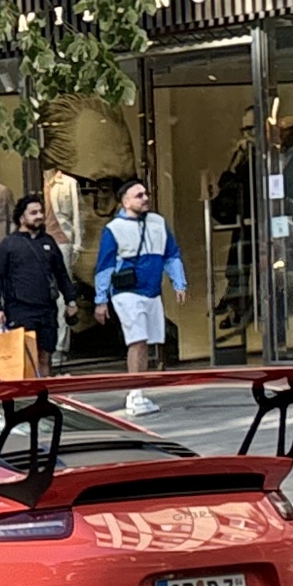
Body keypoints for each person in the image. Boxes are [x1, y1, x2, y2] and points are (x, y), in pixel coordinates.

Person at [93, 178, 187, 415]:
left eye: (145, 194)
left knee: (144, 342)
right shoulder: (114, 229)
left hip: (151, 291)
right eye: (139, 195)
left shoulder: (158, 223)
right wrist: (100, 299)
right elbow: (104, 266)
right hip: (127, 292)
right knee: (137, 341)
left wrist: (179, 282)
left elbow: (171, 254)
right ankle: (135, 394)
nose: (145, 198)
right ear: (125, 201)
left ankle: (138, 392)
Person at [0, 195, 75, 373]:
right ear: (21, 218)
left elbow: (61, 274)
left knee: (46, 355)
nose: (39, 216)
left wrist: (71, 301)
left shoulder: (49, 242)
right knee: (24, 358)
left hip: (47, 309)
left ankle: (45, 388)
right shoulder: (8, 244)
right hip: (20, 309)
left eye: (41, 212)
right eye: (33, 213)